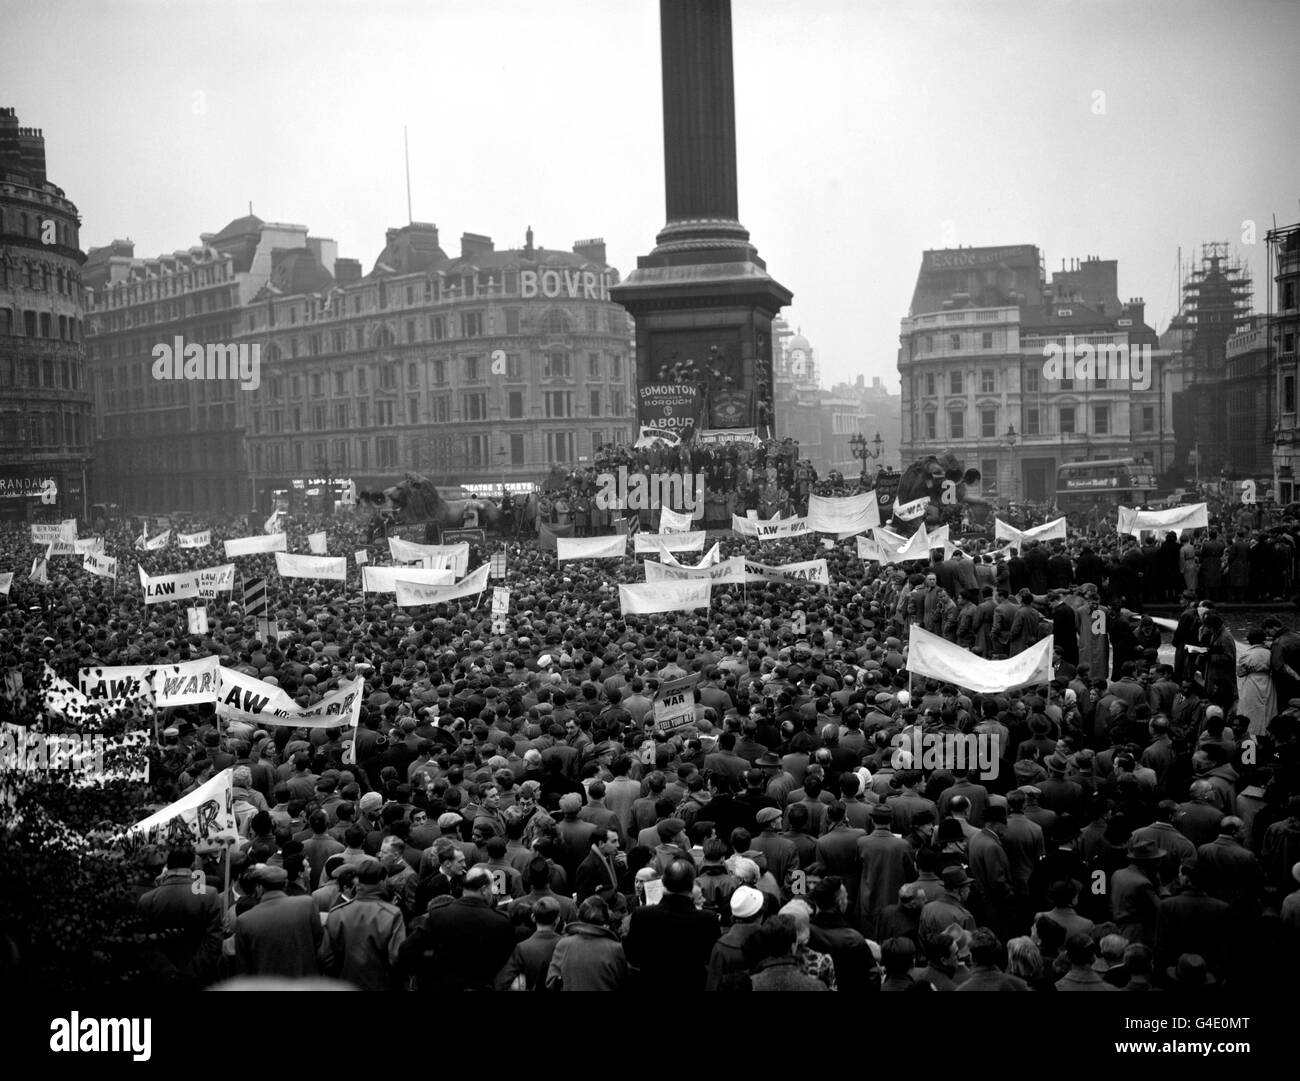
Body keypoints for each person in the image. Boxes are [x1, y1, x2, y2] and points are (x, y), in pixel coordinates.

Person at [399, 866, 516, 992]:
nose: (493, 892)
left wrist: (428, 972)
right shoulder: (501, 922)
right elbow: (507, 965)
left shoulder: (438, 916)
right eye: (492, 888)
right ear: (483, 890)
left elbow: (406, 949)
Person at [621, 859, 721, 992]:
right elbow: (712, 959)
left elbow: (632, 955)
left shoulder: (642, 915)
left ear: (663, 882)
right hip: (693, 984)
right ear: (691, 884)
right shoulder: (707, 919)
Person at [135, 845, 223, 987]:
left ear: (167, 865)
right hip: (198, 976)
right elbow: (214, 939)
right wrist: (193, 970)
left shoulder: (147, 899)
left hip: (162, 977)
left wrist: (167, 970)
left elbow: (143, 942)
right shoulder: (209, 895)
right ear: (193, 865)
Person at [318, 856, 407, 990]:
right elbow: (396, 957)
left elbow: (326, 956)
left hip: (344, 984)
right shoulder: (392, 914)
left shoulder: (337, 913)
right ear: (382, 882)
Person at [234, 864, 323, 978]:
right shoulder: (307, 904)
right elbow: (319, 944)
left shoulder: (245, 920)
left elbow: (243, 968)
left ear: (259, 887)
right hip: (304, 982)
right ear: (285, 884)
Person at [546, 895, 628, 991]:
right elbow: (624, 984)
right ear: (605, 922)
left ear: (580, 917)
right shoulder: (616, 949)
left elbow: (551, 983)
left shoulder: (564, 945)